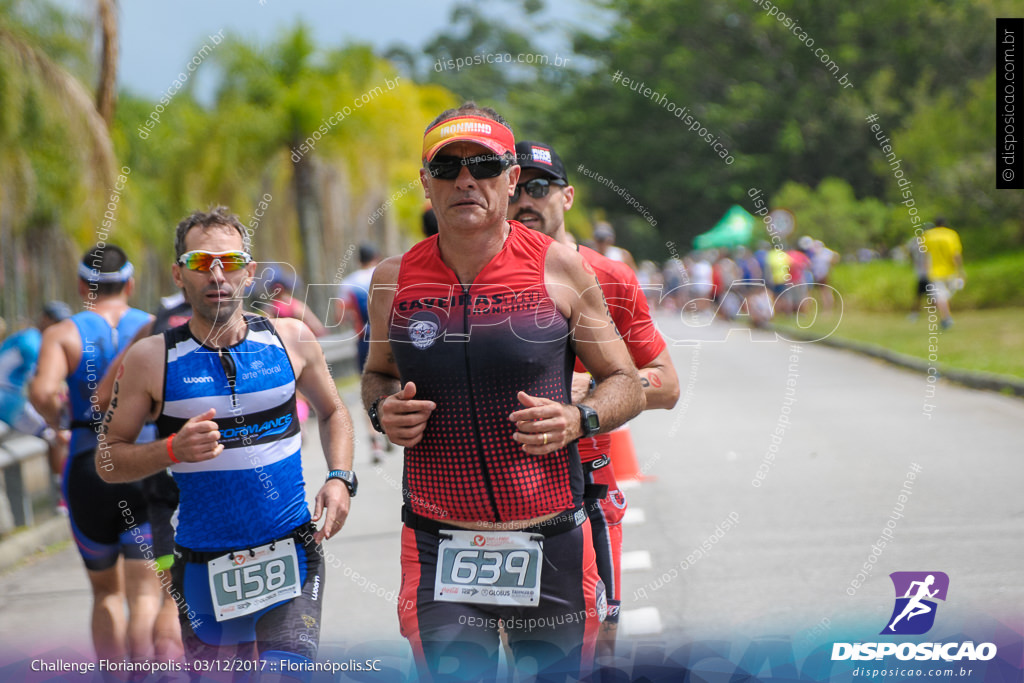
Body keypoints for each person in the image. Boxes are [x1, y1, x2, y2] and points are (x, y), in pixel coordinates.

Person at [361, 103, 644, 681]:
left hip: (551, 539)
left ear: (510, 178)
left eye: (484, 164)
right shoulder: (394, 278)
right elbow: (378, 372)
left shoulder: (560, 267)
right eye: (447, 168)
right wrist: (381, 408)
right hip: (439, 542)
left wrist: (578, 418)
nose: (466, 180)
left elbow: (628, 382)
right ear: (425, 184)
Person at [98, 207, 356, 672]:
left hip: (291, 549)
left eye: (230, 261)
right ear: (179, 274)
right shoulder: (151, 358)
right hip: (202, 565)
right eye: (200, 263)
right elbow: (107, 460)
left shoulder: (291, 339)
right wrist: (171, 450)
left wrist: (339, 478)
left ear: (249, 271)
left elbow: (335, 410)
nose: (217, 274)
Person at [511, 139, 679, 658]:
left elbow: (666, 384)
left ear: (568, 198)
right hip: (489, 495)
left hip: (586, 483)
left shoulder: (608, 276)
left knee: (593, 647)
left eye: (539, 188)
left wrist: (595, 395)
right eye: (516, 187)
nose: (525, 201)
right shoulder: (468, 278)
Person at [29, 246, 163, 664]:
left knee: (106, 593)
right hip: (145, 460)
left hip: (87, 465)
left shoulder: (62, 333)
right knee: (147, 592)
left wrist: (60, 423)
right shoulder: (153, 327)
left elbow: (41, 392)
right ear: (131, 283)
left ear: (82, 286)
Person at [95, 290, 194, 662]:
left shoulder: (153, 331)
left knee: (169, 596)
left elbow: (103, 397)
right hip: (234, 477)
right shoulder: (235, 318)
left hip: (163, 471)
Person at [0, 301, 72, 476]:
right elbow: (38, 388)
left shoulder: (30, 337)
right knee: (54, 434)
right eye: (57, 321)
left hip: (9, 397)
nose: (60, 327)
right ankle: (61, 491)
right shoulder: (33, 342)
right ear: (45, 319)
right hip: (6, 400)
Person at [339, 242, 388, 463]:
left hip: (364, 341)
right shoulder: (386, 272)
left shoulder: (349, 282)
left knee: (369, 388)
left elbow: (341, 314)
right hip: (390, 337)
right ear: (376, 257)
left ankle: (375, 441)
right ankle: (390, 427)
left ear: (358, 260)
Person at [921, 218, 965, 330]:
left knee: (941, 296)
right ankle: (946, 316)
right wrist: (960, 270)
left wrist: (925, 269)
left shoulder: (928, 235)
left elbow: (926, 255)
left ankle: (946, 316)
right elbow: (955, 254)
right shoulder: (951, 234)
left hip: (935, 271)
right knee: (944, 295)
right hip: (950, 270)